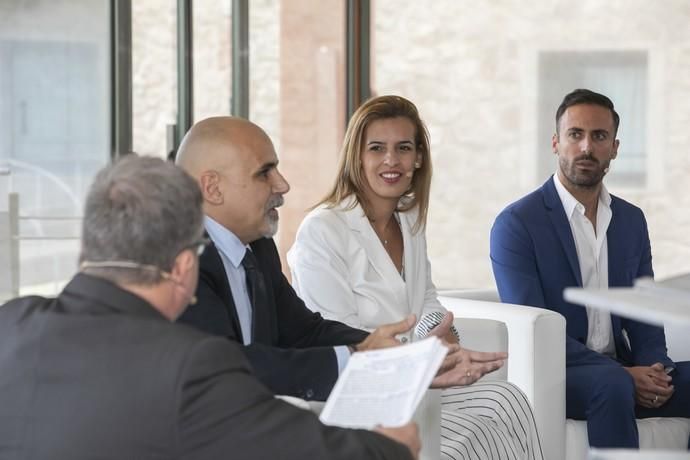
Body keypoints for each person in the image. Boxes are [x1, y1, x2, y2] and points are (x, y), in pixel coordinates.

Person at [0, 155, 420, 460]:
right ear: (184, 269)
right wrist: (393, 448)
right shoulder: (190, 366)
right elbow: (307, 449)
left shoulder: (10, 324)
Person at [288, 95, 544, 460]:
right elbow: (335, 333)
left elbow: (426, 302)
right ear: (357, 156)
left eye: (403, 148)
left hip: (415, 377)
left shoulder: (409, 221)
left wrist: (442, 337)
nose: (391, 160)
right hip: (362, 389)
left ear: (418, 158)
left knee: (507, 399)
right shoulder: (323, 230)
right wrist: (419, 359)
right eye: (377, 148)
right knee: (468, 438)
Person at [175, 116, 498, 403]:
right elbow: (226, 367)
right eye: (265, 173)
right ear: (212, 188)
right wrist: (365, 358)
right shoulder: (178, 261)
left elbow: (305, 332)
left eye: (404, 148)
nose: (283, 185)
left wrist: (408, 357)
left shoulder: (258, 248)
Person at [490, 88, 690, 449]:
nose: (586, 147)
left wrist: (655, 370)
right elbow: (537, 331)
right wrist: (625, 376)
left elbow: (643, 311)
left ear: (614, 147)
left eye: (599, 136)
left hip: (621, 368)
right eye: (575, 135)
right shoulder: (517, 224)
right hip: (559, 374)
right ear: (555, 143)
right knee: (612, 385)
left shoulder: (630, 220)